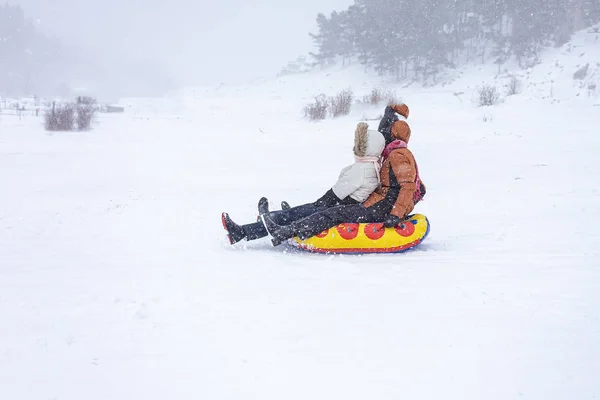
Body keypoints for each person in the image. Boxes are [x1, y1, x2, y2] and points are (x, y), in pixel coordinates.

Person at [260, 103, 426, 246]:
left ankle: (286, 232)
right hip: (379, 205)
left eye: (385, 133)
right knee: (338, 208)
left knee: (334, 213)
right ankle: (295, 224)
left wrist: (396, 214)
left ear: (392, 134)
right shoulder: (395, 153)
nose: (382, 137)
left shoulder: (398, 155)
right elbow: (413, 188)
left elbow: (408, 186)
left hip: (382, 209)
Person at [221, 122, 386, 244]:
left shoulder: (361, 169)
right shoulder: (371, 167)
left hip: (337, 204)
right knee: (299, 212)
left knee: (297, 214)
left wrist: (319, 204)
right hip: (342, 205)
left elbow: (337, 192)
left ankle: (244, 231)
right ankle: (263, 221)